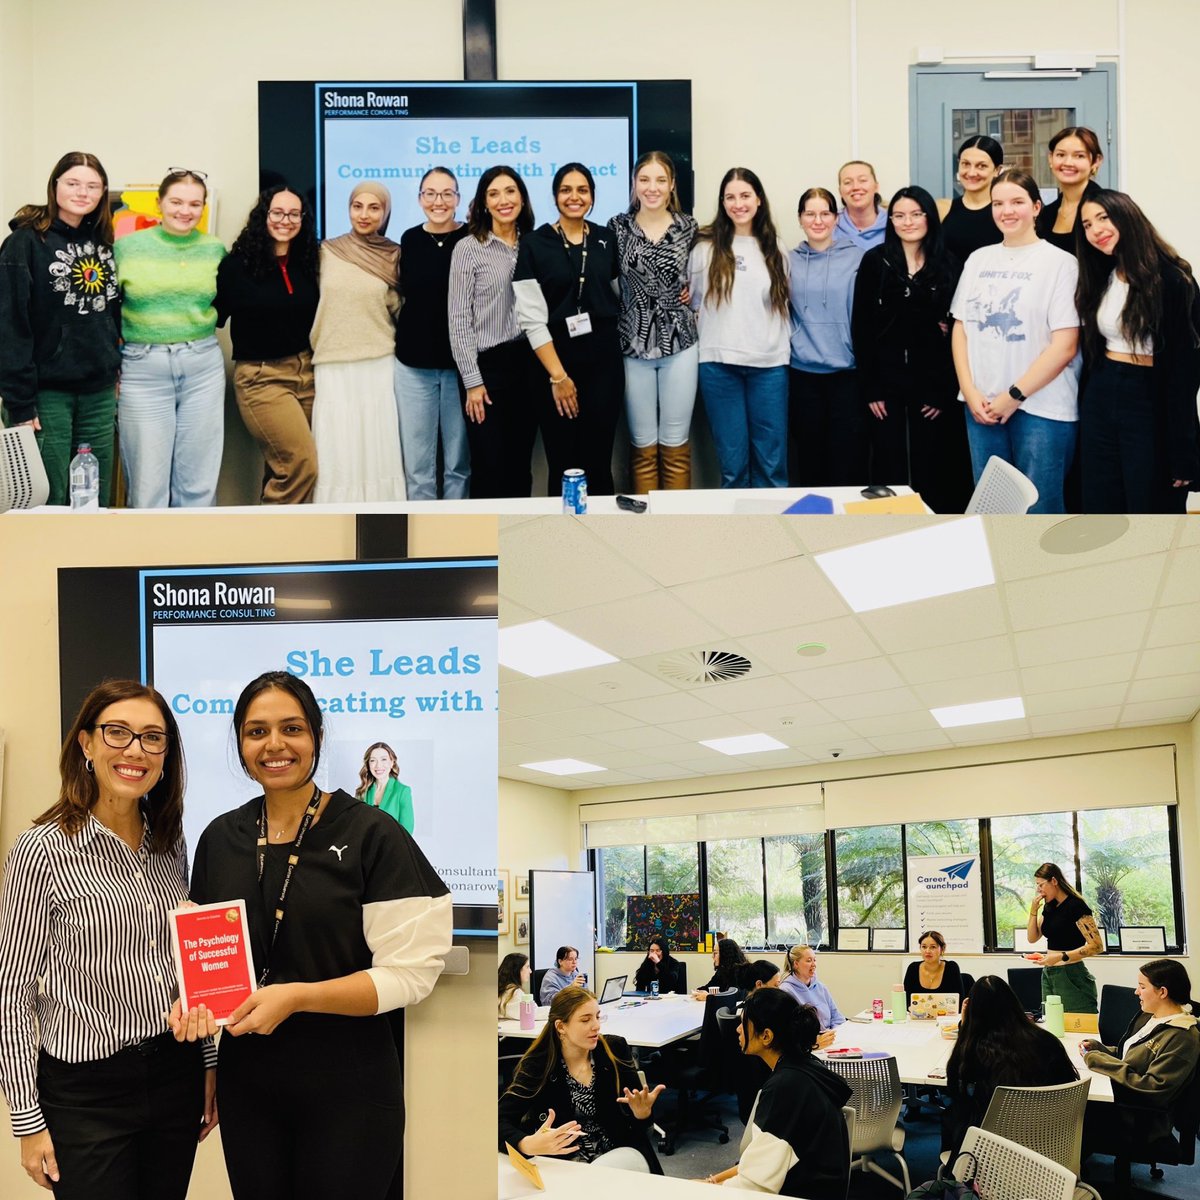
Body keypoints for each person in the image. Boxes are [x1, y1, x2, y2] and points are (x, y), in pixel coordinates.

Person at [176, 670, 451, 1200]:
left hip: (349, 1088)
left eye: (292, 728)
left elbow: (411, 976)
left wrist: (300, 997)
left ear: (317, 738)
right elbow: (206, 961)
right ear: (240, 743)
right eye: (256, 731)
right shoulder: (220, 838)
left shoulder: (372, 832)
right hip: (248, 1086)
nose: (274, 745)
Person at [0, 679, 214, 1199]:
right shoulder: (42, 849)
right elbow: (13, 992)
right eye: (117, 733)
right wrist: (27, 1123)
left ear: (166, 754)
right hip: (84, 1090)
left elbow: (187, 960)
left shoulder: (169, 841)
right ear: (87, 744)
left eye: (152, 738)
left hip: (173, 1072)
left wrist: (209, 1065)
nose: (135, 750)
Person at [951, 168, 1080, 513]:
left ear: (1037, 207)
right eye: (998, 203)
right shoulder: (978, 260)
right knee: (993, 511)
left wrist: (1014, 395)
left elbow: (1065, 344)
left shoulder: (1061, 264)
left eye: (1017, 202)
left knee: (1041, 510)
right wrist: (970, 392)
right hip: (982, 407)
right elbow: (961, 328)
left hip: (1041, 409)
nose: (1006, 211)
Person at [0, 151, 121, 506]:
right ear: (55, 186)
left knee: (95, 495)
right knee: (51, 497)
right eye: (73, 183)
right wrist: (20, 403)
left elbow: (110, 312)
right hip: (45, 394)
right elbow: (9, 326)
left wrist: (113, 365)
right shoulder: (24, 243)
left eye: (92, 186)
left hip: (98, 391)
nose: (82, 192)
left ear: (102, 194)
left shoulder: (103, 242)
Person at [1075, 189, 1200, 512]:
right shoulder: (1103, 275)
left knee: (1149, 502)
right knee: (1101, 499)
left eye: (1103, 218)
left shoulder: (1174, 280)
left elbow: (1185, 373)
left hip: (1149, 397)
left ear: (1127, 217)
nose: (1095, 230)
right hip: (1101, 392)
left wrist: (1183, 449)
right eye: (1087, 224)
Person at [114, 169, 227, 508]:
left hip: (203, 366)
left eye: (195, 204)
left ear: (203, 207)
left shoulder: (214, 249)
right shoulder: (127, 247)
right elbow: (103, 311)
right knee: (148, 484)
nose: (185, 211)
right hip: (142, 369)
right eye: (176, 201)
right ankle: (149, 558)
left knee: (198, 482)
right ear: (159, 203)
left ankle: (192, 558)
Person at [852, 186, 969, 510]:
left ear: (929, 217)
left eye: (916, 214)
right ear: (890, 220)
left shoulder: (947, 264)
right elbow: (861, 328)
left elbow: (958, 332)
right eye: (900, 215)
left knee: (931, 463)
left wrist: (943, 391)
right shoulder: (875, 261)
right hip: (884, 383)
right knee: (888, 462)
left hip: (931, 384)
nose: (908, 222)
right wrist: (871, 388)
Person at [514, 162, 623, 496]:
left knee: (599, 460)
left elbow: (618, 293)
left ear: (591, 196)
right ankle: (561, 541)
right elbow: (531, 318)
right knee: (563, 462)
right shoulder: (534, 244)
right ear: (555, 196)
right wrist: (559, 378)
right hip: (553, 363)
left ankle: (602, 541)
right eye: (566, 190)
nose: (574, 197)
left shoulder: (605, 238)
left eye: (582, 190)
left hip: (604, 364)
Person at [215, 182, 319, 504]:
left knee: (281, 468)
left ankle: (274, 534)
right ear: (263, 215)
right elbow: (209, 316)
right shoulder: (237, 266)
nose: (285, 220)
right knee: (302, 465)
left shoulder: (310, 262)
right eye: (277, 212)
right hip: (262, 378)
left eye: (294, 214)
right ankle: (279, 543)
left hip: (308, 374)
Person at [689, 167, 791, 488]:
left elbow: (784, 303)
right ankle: (739, 536)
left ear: (758, 200)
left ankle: (774, 535)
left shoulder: (775, 247)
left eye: (745, 195)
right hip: (719, 367)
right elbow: (691, 301)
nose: (738, 203)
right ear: (722, 202)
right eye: (730, 197)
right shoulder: (705, 247)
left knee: (772, 467)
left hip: (769, 367)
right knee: (733, 467)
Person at [499, 987, 665, 1173]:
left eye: (597, 1016)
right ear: (561, 1026)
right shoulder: (538, 1065)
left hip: (621, 1159)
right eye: (586, 1020)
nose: (596, 1026)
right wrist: (526, 1144)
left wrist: (642, 1114)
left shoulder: (614, 1050)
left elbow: (639, 1128)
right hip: (567, 1167)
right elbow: (497, 1122)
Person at [310, 181, 405, 502]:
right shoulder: (325, 252)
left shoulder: (394, 255)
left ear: (386, 212)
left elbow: (399, 310)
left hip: (379, 363)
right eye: (357, 206)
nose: (364, 215)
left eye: (374, 207)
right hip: (332, 364)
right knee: (338, 450)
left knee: (377, 449)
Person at [609, 150, 699, 491]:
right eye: (644, 179)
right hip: (632, 343)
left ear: (672, 184)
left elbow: (701, 279)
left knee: (675, 441)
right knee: (643, 442)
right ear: (634, 184)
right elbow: (609, 282)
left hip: (681, 343)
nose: (652, 188)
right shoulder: (617, 227)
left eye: (660, 180)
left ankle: (677, 529)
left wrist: (694, 295)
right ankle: (645, 531)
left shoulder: (689, 227)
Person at [448, 165, 540, 498]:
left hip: (529, 364)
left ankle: (521, 546)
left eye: (511, 191)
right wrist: (472, 382)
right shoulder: (468, 248)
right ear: (484, 203)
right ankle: (487, 547)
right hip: (487, 370)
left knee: (520, 464)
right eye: (494, 193)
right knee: (489, 465)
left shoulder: (535, 244)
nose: (504, 200)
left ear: (522, 198)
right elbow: (458, 319)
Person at [704, 990, 851, 1196]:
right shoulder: (805, 1066)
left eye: (743, 1023)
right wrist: (712, 1181)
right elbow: (760, 1163)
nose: (738, 1029)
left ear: (766, 1036)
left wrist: (701, 1189)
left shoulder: (785, 1088)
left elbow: (753, 1186)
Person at [394, 167, 470, 499]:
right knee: (418, 466)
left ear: (458, 198)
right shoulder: (409, 239)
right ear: (420, 198)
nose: (438, 201)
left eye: (446, 194)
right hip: (413, 367)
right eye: (430, 193)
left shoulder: (472, 239)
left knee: (458, 462)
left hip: (461, 369)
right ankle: (424, 539)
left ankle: (459, 536)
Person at [943, 975, 1078, 1155]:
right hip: (1050, 1141)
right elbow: (1069, 1083)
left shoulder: (972, 1049)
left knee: (949, 1115)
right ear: (1014, 1004)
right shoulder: (1046, 1040)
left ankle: (952, 1178)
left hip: (992, 1148)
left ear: (974, 1011)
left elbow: (954, 1090)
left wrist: (965, 1026)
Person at [1079, 959, 1200, 1150]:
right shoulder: (1152, 1017)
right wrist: (1100, 1049)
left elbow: (1151, 1089)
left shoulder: (1182, 1036)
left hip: (1140, 1119)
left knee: (1067, 1113)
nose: (1136, 992)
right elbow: (1134, 1055)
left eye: (1142, 987)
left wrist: (1097, 1060)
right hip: (1125, 1104)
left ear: (1162, 992)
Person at [789, 186, 865, 486]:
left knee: (846, 461)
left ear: (837, 217)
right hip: (803, 374)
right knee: (809, 459)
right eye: (810, 214)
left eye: (825, 213)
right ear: (800, 218)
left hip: (847, 374)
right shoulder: (788, 261)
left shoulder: (858, 259)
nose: (817, 220)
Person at [1026, 861, 1104, 1013]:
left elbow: (1096, 946)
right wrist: (1033, 911)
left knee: (1075, 1024)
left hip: (1071, 974)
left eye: (1041, 885)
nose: (1038, 890)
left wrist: (1060, 957)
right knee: (1051, 1023)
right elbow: (1032, 938)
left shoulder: (1076, 906)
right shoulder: (1050, 907)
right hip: (1049, 973)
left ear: (1054, 881)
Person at [1037, 127, 1104, 255]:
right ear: (1050, 159)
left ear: (1096, 161)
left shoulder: (1109, 207)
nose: (1068, 162)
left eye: (1079, 156)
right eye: (1061, 155)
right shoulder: (1047, 213)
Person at [938, 136, 1004, 263]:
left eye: (981, 166)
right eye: (966, 164)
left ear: (997, 170)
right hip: (951, 283)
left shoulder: (1007, 212)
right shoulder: (942, 209)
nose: (972, 173)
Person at [778, 945, 842, 1043]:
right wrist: (815, 1041)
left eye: (814, 960)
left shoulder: (821, 987)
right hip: (808, 1044)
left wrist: (834, 1032)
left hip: (830, 1039)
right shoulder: (786, 991)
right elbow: (790, 1030)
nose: (814, 964)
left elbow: (837, 1017)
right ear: (796, 964)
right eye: (808, 960)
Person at [355, 740, 413, 834]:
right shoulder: (362, 791)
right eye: (373, 760)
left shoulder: (403, 791)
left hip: (392, 847)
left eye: (384, 759)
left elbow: (407, 832)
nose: (378, 765)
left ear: (392, 762)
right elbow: (356, 825)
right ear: (368, 765)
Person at [833, 160, 887, 249]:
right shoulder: (830, 225)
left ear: (876, 187)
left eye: (862, 180)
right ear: (840, 191)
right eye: (847, 182)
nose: (856, 187)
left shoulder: (894, 223)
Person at [902, 930, 964, 1002]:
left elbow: (958, 1002)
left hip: (945, 1013)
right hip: (918, 1013)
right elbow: (905, 1001)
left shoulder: (951, 968)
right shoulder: (913, 968)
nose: (927, 951)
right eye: (924, 947)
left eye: (933, 947)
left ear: (942, 949)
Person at [499, 952, 533, 1019]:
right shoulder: (514, 992)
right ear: (517, 970)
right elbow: (533, 1012)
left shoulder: (504, 989)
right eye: (527, 967)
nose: (530, 971)